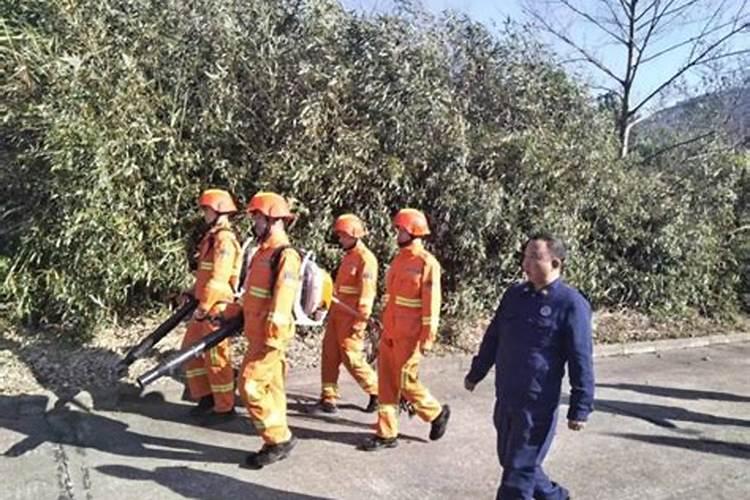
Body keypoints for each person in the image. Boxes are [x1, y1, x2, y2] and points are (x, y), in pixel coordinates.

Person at [464, 233, 595, 500]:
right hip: (506, 397)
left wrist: (580, 407)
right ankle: (555, 497)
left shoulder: (571, 304)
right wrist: (477, 372)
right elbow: (494, 336)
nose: (526, 264)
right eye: (525, 256)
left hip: (536, 404)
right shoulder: (515, 295)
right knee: (514, 462)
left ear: (556, 263)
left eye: (535, 258)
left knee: (517, 477)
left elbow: (581, 358)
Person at [359, 208, 450, 451]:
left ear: (414, 232)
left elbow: (432, 304)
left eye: (401, 229)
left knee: (406, 381)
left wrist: (427, 338)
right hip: (390, 332)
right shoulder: (399, 259)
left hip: (411, 337)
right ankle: (386, 434)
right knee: (386, 383)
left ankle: (436, 412)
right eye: (398, 229)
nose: (397, 233)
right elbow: (393, 298)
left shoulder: (426, 263)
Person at [236, 191, 301, 468]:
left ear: (273, 218)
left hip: (269, 337)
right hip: (256, 332)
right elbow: (252, 294)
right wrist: (234, 313)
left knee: (249, 385)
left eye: (259, 217)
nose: (255, 223)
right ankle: (278, 436)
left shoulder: (285, 255)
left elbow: (283, 301)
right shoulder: (262, 253)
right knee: (273, 390)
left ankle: (278, 439)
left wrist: (272, 337)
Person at [181, 189, 242, 425]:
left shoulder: (224, 240)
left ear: (217, 210)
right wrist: (192, 292)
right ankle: (206, 397)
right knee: (190, 351)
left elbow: (218, 279)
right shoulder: (212, 237)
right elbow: (205, 275)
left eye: (206, 209)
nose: (203, 214)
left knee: (216, 358)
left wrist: (204, 306)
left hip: (216, 307)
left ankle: (225, 407)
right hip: (204, 304)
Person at [318, 214, 379, 414]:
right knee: (329, 355)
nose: (340, 239)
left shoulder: (366, 259)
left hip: (351, 316)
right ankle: (329, 397)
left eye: (343, 236)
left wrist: (360, 321)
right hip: (337, 314)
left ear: (354, 235)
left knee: (352, 358)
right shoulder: (349, 256)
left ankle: (377, 391)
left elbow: (367, 293)